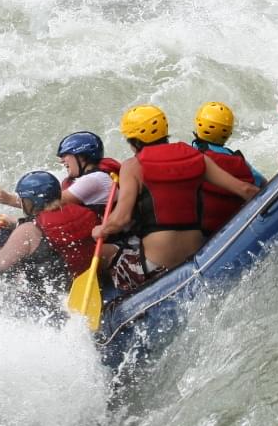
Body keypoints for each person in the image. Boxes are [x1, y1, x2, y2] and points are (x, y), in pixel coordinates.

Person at [94, 105, 261, 293]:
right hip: (196, 257)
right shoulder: (197, 157)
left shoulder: (132, 166)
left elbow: (121, 219)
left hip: (156, 266)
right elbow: (245, 189)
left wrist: (100, 229)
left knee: (103, 253)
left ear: (134, 141)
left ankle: (112, 305)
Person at [0, 171, 101, 293]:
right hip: (82, 284)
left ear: (32, 202)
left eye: (23, 199)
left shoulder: (28, 231)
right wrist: (16, 224)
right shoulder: (86, 214)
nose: (22, 203)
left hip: (48, 298)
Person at [0, 131, 119, 215]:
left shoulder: (94, 180)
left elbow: (48, 204)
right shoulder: (95, 176)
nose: (61, 161)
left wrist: (9, 199)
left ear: (81, 156)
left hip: (114, 243)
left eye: (65, 155)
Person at [188, 102, 267, 236]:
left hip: (203, 234)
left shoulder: (189, 156)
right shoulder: (237, 159)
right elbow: (263, 183)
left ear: (198, 124)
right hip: (237, 226)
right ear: (228, 132)